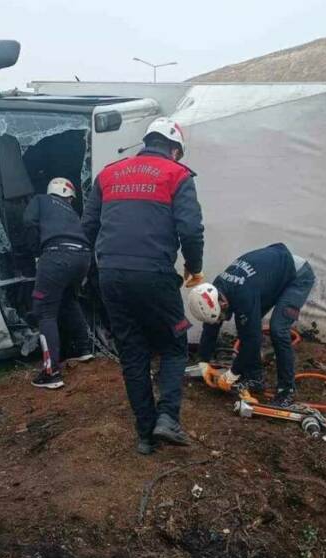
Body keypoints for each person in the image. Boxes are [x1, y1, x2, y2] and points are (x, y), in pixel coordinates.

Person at [83, 117, 205, 455]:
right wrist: (193, 268)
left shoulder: (108, 174)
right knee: (174, 344)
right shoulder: (177, 175)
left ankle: (144, 435)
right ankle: (167, 417)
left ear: (147, 141)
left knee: (133, 352)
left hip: (111, 275)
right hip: (154, 274)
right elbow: (191, 230)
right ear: (175, 149)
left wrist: (96, 272)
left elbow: (88, 226)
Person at [187, 243, 317, 407]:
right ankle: (255, 378)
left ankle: (286, 390)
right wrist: (203, 361)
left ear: (223, 304)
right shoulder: (215, 289)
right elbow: (212, 325)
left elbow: (252, 340)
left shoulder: (243, 295)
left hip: (297, 275)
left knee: (278, 329)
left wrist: (232, 374)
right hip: (269, 275)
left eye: (220, 315)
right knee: (247, 328)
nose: (221, 319)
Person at [22, 177, 94, 389]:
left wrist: (36, 251)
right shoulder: (71, 211)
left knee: (45, 312)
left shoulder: (40, 200)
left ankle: (50, 372)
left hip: (56, 255)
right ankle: (84, 349)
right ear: (68, 196)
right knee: (69, 300)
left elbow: (28, 221)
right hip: (83, 257)